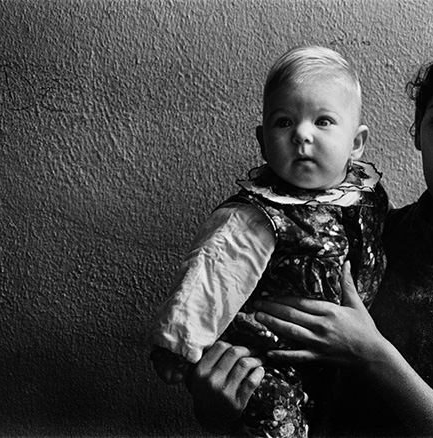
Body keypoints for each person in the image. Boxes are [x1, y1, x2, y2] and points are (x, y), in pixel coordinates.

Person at [186, 30, 433, 437]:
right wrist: (218, 404)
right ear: (417, 130)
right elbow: (265, 381)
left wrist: (373, 354)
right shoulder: (350, 240)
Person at [149, 45, 388, 438]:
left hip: (344, 355)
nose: (302, 135)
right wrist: (178, 342)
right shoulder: (255, 216)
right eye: (283, 123)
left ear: (357, 143)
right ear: (262, 140)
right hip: (271, 358)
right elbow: (211, 275)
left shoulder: (367, 193)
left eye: (323, 121)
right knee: (273, 413)